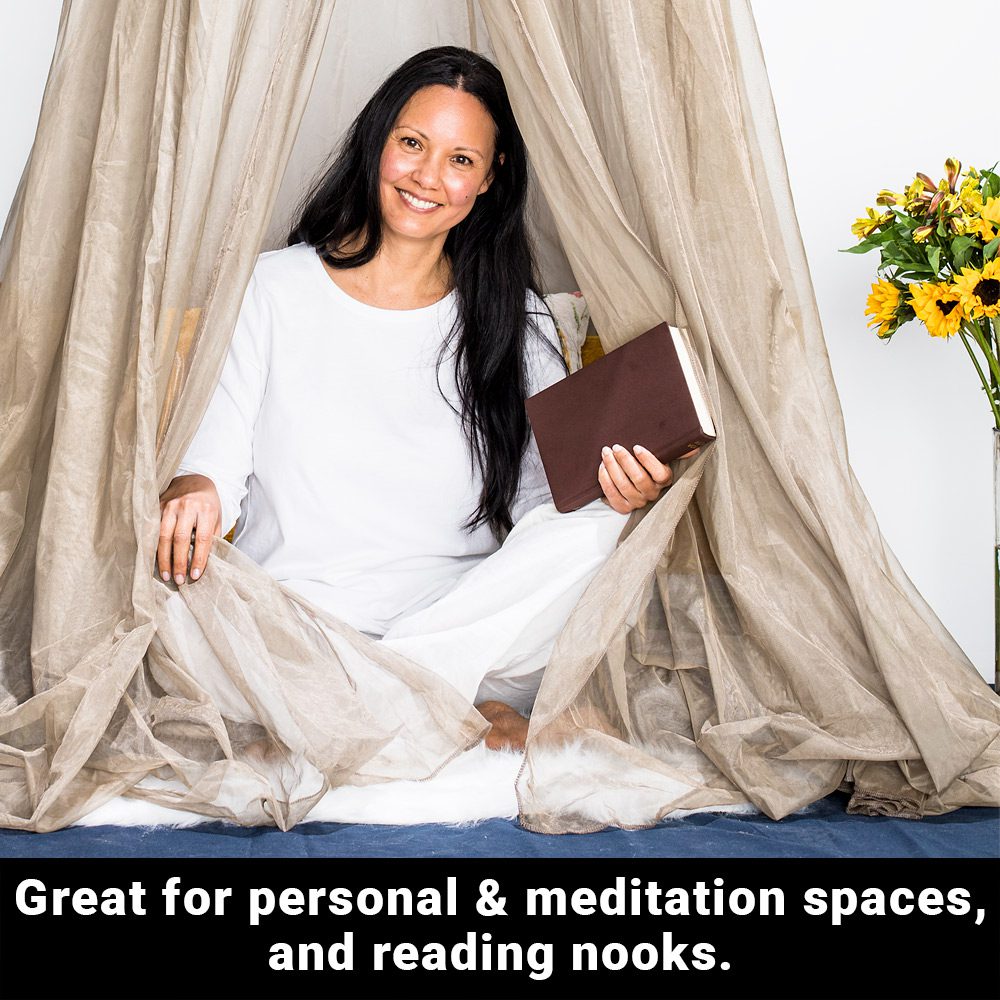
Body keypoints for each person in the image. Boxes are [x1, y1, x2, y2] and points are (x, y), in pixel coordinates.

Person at [157, 46, 687, 752]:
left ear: (490, 179)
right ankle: (447, 712)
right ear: (379, 141)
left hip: (469, 627)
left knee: (600, 533)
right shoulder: (272, 287)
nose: (428, 177)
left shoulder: (517, 320)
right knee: (159, 594)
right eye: (412, 144)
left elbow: (542, 507)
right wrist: (193, 490)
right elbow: (212, 462)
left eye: (461, 159)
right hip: (293, 625)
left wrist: (614, 494)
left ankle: (375, 702)